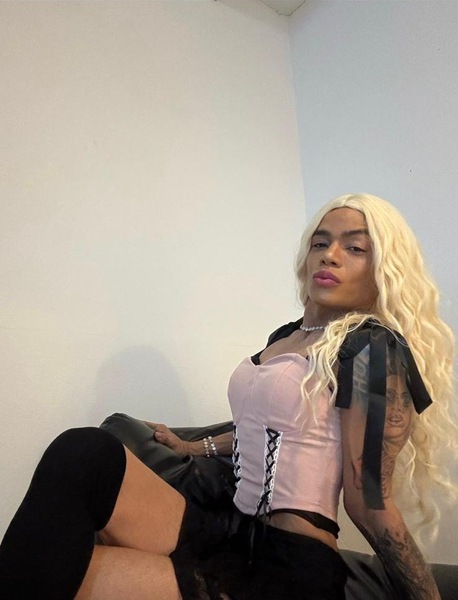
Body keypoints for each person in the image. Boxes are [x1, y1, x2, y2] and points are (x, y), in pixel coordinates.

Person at [0, 193, 456, 600]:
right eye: (321, 242)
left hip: (289, 566)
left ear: (383, 270)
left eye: (355, 248)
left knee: (56, 571)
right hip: (228, 531)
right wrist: (191, 447)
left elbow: (369, 501)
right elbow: (266, 429)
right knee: (86, 451)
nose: (330, 255)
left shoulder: (371, 348)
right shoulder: (285, 337)